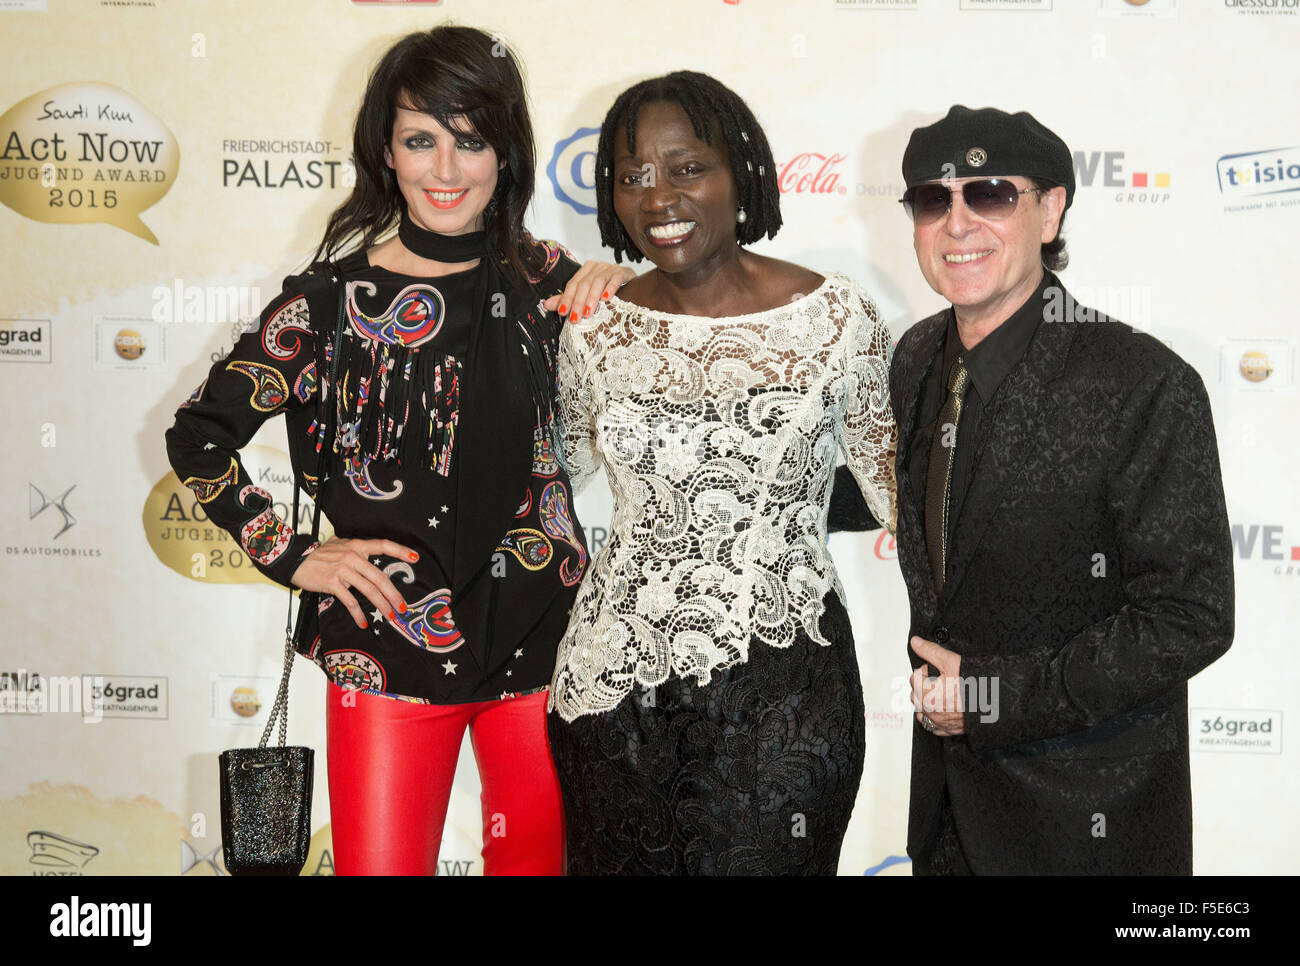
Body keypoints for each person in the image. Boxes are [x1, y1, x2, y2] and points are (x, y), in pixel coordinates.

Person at [165, 26, 630, 876]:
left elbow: (680, 349)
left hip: (545, 645)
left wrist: (635, 288)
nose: (446, 171)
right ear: (386, 150)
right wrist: (294, 554)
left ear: (506, 152)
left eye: (471, 141)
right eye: (421, 140)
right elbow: (198, 436)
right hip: (385, 649)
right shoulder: (330, 303)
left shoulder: (553, 284)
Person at [545, 71, 897, 875]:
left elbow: (897, 497)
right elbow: (550, 477)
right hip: (614, 693)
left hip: (785, 688)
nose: (659, 195)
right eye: (632, 177)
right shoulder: (595, 328)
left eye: (686, 167)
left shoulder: (836, 317)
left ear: (741, 171)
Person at [887, 105, 1234, 874]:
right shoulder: (916, 359)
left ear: (1050, 210)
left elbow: (1191, 615)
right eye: (933, 200)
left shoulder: (1141, 382)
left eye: (992, 195)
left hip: (1084, 823)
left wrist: (990, 697)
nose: (958, 222)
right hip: (945, 819)